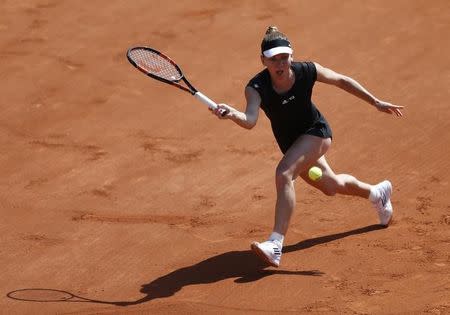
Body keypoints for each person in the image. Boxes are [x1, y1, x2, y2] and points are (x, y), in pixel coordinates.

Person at [211, 26, 404, 268]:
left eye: (284, 57)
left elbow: (341, 80)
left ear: (291, 56)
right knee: (332, 186)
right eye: (273, 59)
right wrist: (231, 114)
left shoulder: (306, 71)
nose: (280, 64)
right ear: (263, 60)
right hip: (293, 144)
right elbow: (249, 121)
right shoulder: (255, 88)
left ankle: (275, 244)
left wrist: (375, 101)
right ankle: (377, 193)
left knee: (284, 174)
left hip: (317, 133)